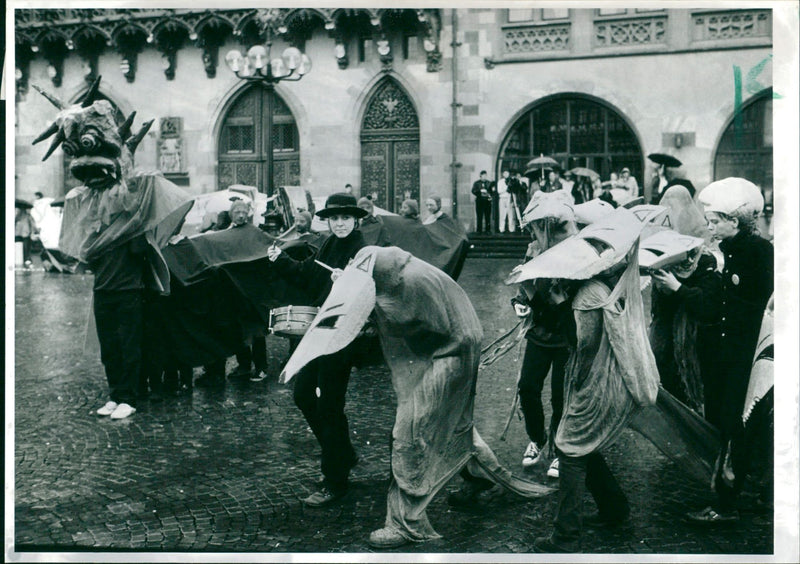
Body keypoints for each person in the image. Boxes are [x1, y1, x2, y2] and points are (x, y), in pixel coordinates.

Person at [281, 246, 555, 548]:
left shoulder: (410, 282)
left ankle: (406, 523)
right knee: (453, 424)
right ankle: (483, 478)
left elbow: (421, 323)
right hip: (450, 348)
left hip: (450, 353)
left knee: (410, 432)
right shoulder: (397, 270)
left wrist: (373, 314)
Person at [532, 208, 660, 553]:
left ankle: (565, 537)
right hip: (610, 378)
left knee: (570, 449)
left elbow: (584, 345)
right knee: (583, 445)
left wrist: (560, 307)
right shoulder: (610, 280)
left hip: (599, 383)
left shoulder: (589, 293)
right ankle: (614, 508)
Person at [267, 193, 368, 506]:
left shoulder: (364, 249)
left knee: (329, 405)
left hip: (345, 334)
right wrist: (280, 260)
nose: (339, 223)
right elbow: (308, 274)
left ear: (356, 219)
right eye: (334, 218)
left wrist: (350, 281)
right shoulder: (327, 243)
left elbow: (373, 289)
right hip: (319, 329)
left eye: (345, 218)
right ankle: (344, 454)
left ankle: (335, 480)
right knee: (303, 395)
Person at [686, 177, 773, 525]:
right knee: (726, 419)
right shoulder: (732, 250)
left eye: (715, 221)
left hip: (746, 354)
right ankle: (730, 491)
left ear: (734, 222)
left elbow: (747, 305)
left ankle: (727, 502)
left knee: (734, 421)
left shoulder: (758, 252)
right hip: (729, 352)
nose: (709, 227)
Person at [512, 191, 578, 480]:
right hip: (539, 333)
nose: (536, 232)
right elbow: (523, 288)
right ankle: (537, 440)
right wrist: (519, 302)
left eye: (541, 226)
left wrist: (561, 296)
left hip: (566, 336)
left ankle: (558, 449)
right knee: (527, 388)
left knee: (560, 397)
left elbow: (582, 300)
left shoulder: (576, 251)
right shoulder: (533, 249)